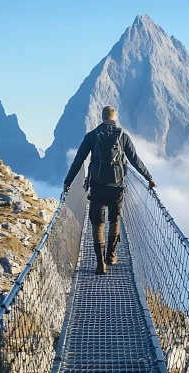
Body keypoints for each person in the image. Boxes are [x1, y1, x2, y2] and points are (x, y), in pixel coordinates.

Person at [64, 106, 156, 275]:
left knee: (97, 224)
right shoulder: (122, 136)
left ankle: (100, 264)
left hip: (97, 187)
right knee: (115, 220)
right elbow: (134, 159)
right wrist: (148, 177)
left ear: (102, 117)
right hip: (117, 188)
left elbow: (79, 160)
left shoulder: (92, 136)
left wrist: (67, 182)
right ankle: (111, 256)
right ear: (115, 117)